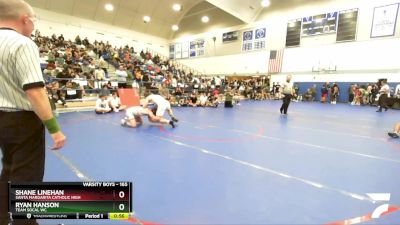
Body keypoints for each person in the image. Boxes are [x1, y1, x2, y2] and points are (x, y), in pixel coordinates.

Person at [0, 1, 66, 225]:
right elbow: (35, 91)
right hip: (22, 120)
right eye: (34, 19)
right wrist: (55, 129)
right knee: (27, 176)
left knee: (8, 168)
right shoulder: (23, 43)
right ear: (25, 19)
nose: (34, 24)